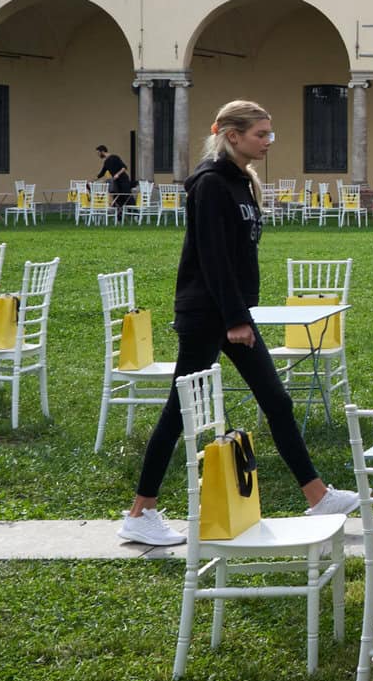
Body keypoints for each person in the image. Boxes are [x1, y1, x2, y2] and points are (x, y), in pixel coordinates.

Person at [119, 101, 359, 547]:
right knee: (179, 412)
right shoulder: (210, 185)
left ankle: (317, 494)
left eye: (270, 134)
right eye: (260, 134)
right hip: (209, 316)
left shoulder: (240, 183)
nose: (268, 142)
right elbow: (213, 259)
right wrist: (234, 319)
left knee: (275, 399)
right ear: (232, 135)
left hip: (230, 315)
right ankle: (140, 511)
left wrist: (238, 315)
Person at [94, 143, 135, 209]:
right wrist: (93, 180)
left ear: (103, 151)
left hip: (123, 180)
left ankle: (135, 213)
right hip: (116, 182)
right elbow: (102, 173)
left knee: (127, 196)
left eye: (98, 153)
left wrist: (117, 174)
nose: (98, 155)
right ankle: (119, 216)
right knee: (117, 198)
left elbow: (124, 168)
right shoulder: (106, 162)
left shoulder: (115, 157)